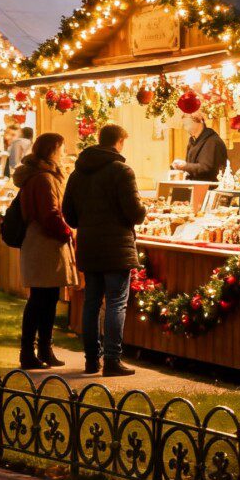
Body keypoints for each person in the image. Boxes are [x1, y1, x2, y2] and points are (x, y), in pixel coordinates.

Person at [62, 124, 148, 377]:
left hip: (90, 246)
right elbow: (134, 212)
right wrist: (143, 209)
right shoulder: (122, 171)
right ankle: (112, 360)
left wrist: (87, 222)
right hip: (116, 247)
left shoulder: (78, 173)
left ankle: (91, 359)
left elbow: (69, 214)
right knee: (116, 303)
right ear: (119, 142)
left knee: (90, 303)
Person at [12, 133, 78, 370]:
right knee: (40, 299)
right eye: (61, 148)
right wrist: (68, 232)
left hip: (42, 243)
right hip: (44, 244)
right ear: (52, 150)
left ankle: (44, 349)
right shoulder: (44, 179)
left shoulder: (39, 176)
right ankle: (29, 351)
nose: (64, 152)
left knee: (47, 298)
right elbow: (49, 214)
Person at [173, 112, 228, 182]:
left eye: (187, 124)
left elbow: (206, 168)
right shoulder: (192, 141)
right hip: (194, 185)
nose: (185, 128)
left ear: (199, 121)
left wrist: (185, 166)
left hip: (209, 187)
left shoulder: (212, 141)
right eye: (184, 125)